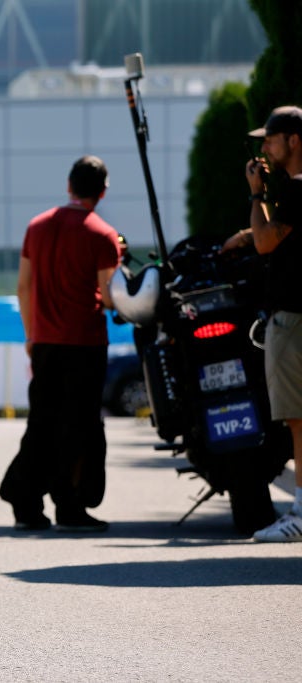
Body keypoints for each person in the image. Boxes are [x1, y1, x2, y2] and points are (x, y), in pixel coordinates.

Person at [0, 155, 121, 533]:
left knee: (42, 423)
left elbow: (23, 286)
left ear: (69, 185)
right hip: (85, 342)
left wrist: (32, 335)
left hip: (46, 341)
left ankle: (25, 500)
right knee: (79, 426)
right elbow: (110, 295)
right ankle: (70, 505)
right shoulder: (103, 235)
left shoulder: (37, 227)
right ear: (101, 192)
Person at [220, 105, 302, 542]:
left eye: (270, 139)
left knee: (296, 419)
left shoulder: (294, 188)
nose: (265, 148)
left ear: (293, 139)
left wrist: (256, 192)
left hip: (292, 318)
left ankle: (300, 513)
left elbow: (270, 241)